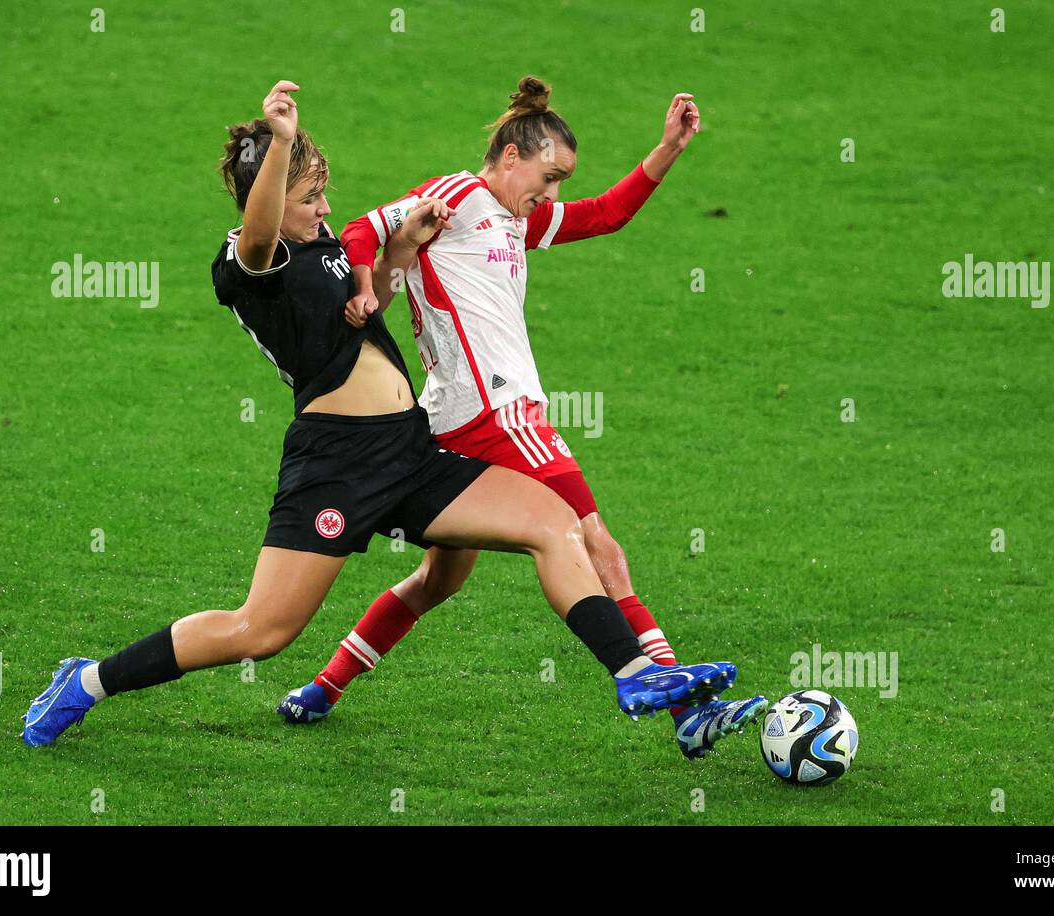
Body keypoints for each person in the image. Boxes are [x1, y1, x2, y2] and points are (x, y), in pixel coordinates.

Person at [20, 80, 737, 747]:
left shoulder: (324, 247)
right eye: (310, 196)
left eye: (325, 193)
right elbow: (264, 225)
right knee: (260, 629)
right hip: (337, 464)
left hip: (409, 448)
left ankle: (634, 671)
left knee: (554, 524)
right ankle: (88, 679)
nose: (325, 208)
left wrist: (399, 250)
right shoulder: (249, 262)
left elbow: (376, 304)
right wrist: (277, 143)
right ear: (266, 198)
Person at [277, 77, 765, 759]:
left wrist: (666, 151)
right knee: (599, 547)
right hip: (498, 414)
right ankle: (681, 705)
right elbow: (364, 227)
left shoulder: (515, 219)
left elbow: (605, 215)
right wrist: (364, 285)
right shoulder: (461, 197)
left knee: (440, 578)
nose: (554, 192)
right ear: (510, 156)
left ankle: (324, 688)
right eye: (549, 174)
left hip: (452, 420)